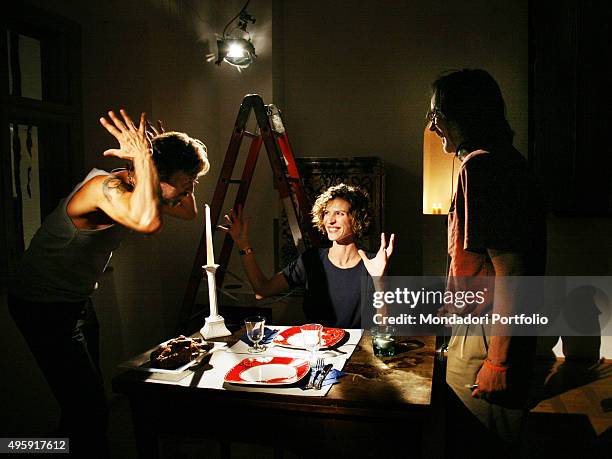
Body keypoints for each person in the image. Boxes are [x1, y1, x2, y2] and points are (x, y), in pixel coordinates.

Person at [8, 109, 209, 457]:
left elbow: (187, 212)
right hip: (41, 305)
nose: (189, 190)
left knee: (82, 407)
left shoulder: (141, 187)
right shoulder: (104, 188)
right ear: (154, 173)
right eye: (186, 181)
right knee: (90, 411)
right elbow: (147, 221)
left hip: (76, 302)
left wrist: (162, 159)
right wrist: (147, 159)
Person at [427, 69, 546, 456]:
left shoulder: (484, 167)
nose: (432, 125)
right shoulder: (504, 162)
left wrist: (498, 362)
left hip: (485, 336)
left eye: (436, 113)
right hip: (484, 329)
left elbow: (512, 272)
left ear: (460, 114)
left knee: (476, 440)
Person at [220, 183, 395, 328]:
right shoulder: (311, 260)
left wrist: (379, 280)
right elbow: (262, 290)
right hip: (316, 354)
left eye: (340, 214)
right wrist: (243, 245)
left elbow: (384, 329)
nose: (330, 220)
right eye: (327, 212)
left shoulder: (373, 264)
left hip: (357, 355)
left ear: (357, 219)